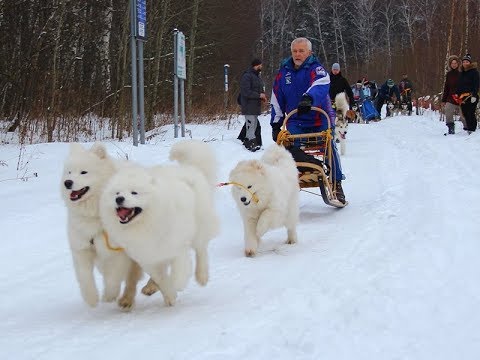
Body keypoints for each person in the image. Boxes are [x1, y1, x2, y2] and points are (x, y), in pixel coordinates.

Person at [270, 37, 346, 204]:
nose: (297, 54)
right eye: (295, 51)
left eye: (301, 51)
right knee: (287, 148)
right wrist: (276, 124)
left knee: (328, 145)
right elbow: (276, 98)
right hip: (295, 121)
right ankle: (293, 179)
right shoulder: (284, 73)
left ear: (309, 52)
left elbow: (321, 83)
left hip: (318, 119)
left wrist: (309, 99)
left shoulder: (316, 68)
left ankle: (336, 183)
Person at [238, 58, 267, 151]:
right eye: (260, 65)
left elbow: (258, 89)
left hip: (255, 106)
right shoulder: (247, 76)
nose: (261, 67)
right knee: (250, 125)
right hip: (248, 105)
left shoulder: (257, 77)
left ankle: (249, 141)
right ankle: (250, 144)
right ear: (256, 65)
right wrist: (259, 95)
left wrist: (262, 96)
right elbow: (246, 92)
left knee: (254, 125)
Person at [441, 55, 465, 134]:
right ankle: (451, 127)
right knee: (448, 111)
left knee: (463, 116)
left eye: (455, 63)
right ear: (450, 64)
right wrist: (443, 100)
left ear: (458, 64)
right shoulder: (449, 74)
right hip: (451, 98)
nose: (454, 64)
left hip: (462, 98)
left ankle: (468, 129)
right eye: (452, 63)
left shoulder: (462, 73)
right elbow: (446, 88)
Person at [456, 53, 479, 133]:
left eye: (467, 62)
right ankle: (469, 128)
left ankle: (472, 129)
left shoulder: (474, 72)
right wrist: (457, 94)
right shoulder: (461, 73)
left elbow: (476, 84)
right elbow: (459, 85)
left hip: (471, 96)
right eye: (464, 62)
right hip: (462, 97)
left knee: (470, 112)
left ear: (470, 63)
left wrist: (474, 95)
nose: (465, 63)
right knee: (465, 113)